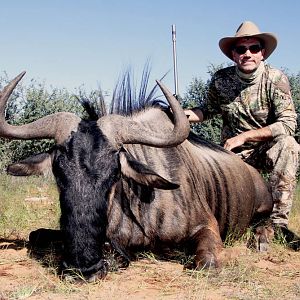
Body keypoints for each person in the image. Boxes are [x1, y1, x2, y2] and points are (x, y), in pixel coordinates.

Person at [185, 21, 300, 241]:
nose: (247, 53)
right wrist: (181, 115)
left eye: (253, 48)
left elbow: (287, 124)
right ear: (233, 55)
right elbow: (206, 111)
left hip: (264, 149)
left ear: (262, 53)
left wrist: (244, 136)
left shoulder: (275, 79)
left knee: (289, 146)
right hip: (232, 155)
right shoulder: (221, 80)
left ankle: (279, 226)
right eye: (241, 49)